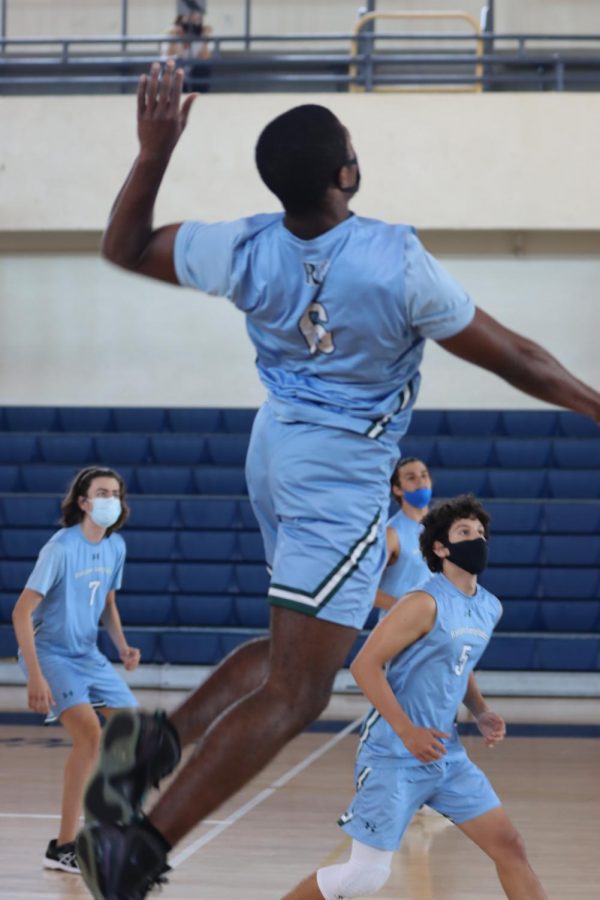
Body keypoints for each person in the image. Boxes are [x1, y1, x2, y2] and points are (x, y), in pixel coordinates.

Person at [75, 62, 600, 899]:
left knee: (293, 644)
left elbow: (124, 247)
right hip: (339, 477)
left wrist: (155, 151)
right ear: (346, 174)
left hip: (274, 448)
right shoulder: (394, 260)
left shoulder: (245, 244)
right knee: (300, 687)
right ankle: (134, 849)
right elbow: (520, 360)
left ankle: (147, 753)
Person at [283, 495, 547, 900]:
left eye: (480, 533)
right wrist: (407, 733)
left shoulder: (489, 607)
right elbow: (364, 666)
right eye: (464, 532)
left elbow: (461, 660)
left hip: (447, 754)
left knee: (510, 846)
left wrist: (480, 710)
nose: (476, 539)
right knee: (364, 878)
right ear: (441, 548)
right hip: (394, 753)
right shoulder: (421, 602)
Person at [11, 467, 140, 875]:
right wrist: (35, 675)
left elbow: (107, 603)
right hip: (50, 652)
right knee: (89, 734)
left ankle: (108, 821)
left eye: (115, 493)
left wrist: (121, 646)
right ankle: (64, 846)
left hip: (86, 653)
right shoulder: (61, 548)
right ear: (83, 502)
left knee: (130, 727)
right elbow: (20, 612)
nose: (110, 499)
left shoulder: (115, 546)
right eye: (102, 492)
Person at [375, 456, 432, 613]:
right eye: (411, 478)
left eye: (424, 475)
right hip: (402, 630)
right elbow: (365, 587)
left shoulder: (444, 528)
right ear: (397, 489)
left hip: (437, 630)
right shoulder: (391, 533)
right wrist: (405, 607)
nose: (421, 482)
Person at [161, 0, 213, 94]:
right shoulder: (172, 32)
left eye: (196, 16)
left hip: (194, 73)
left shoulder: (202, 34)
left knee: (203, 68)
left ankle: (198, 94)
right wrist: (174, 37)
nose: (193, 18)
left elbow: (205, 57)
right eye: (189, 16)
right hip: (176, 72)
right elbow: (169, 55)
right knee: (172, 67)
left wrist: (205, 37)